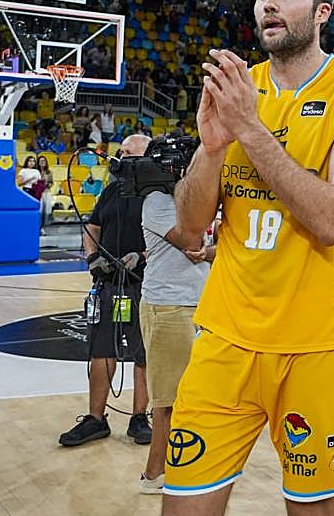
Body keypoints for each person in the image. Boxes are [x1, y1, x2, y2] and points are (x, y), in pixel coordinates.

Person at [165, 0, 334, 513]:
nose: (268, 3)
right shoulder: (239, 88)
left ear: (322, 12)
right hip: (225, 338)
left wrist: (249, 128)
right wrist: (212, 148)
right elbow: (190, 229)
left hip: (315, 346)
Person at [59, 133, 152, 449]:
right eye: (120, 152)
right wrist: (92, 256)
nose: (120, 159)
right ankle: (95, 419)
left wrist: (142, 256)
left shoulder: (159, 195)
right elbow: (93, 226)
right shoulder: (112, 189)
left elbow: (174, 238)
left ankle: (139, 417)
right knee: (101, 350)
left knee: (143, 353)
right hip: (109, 283)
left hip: (143, 284)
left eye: (128, 154)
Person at [137, 180, 213, 495]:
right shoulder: (157, 200)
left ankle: (184, 466)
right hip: (167, 305)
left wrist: (209, 251)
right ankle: (155, 474)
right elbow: (190, 239)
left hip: (200, 304)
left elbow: (222, 246)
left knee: (194, 396)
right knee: (168, 400)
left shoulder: (202, 199)